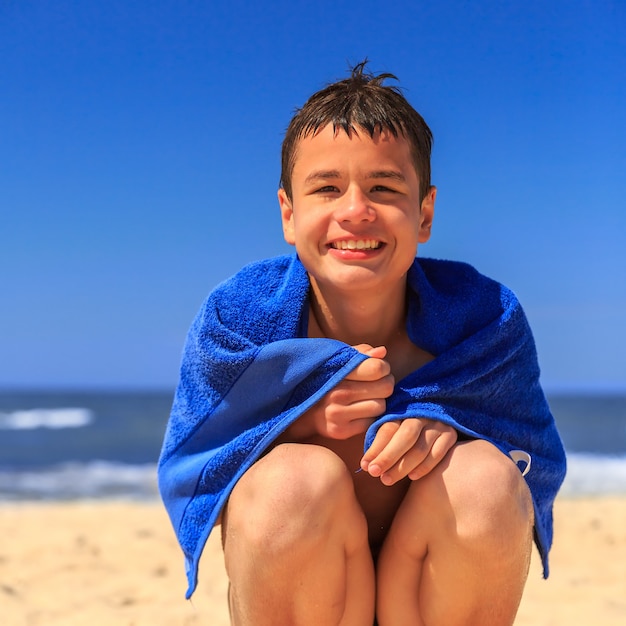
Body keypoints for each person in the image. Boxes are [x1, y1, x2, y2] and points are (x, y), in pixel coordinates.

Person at [158, 61, 566, 626]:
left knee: (487, 481)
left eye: (384, 187)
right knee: (290, 483)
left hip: (428, 594)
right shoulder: (239, 322)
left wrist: (448, 422)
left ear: (424, 213)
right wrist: (300, 420)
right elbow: (194, 459)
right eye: (327, 188)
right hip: (302, 591)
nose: (355, 211)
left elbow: (533, 456)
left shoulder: (484, 321)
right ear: (288, 213)